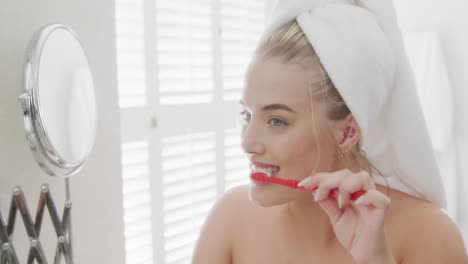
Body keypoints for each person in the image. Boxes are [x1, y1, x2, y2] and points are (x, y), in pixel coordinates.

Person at [192, 0, 468, 263]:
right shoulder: (229, 218)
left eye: (277, 121)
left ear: (348, 133)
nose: (246, 143)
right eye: (247, 115)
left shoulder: (430, 236)